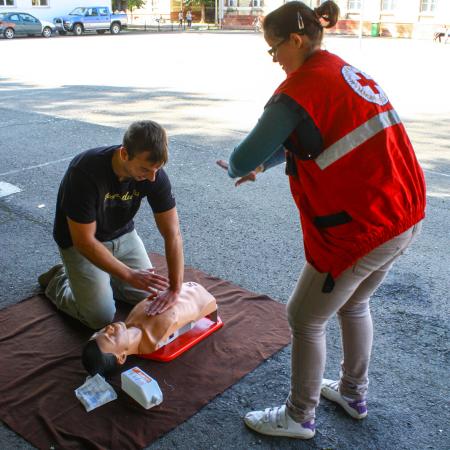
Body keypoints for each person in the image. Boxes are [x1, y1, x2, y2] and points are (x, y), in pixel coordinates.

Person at [217, 0, 426, 440]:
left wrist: (243, 167)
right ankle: (352, 391)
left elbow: (243, 155)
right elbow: (312, 139)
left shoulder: (299, 89)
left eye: (273, 49)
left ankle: (299, 416)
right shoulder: (341, 70)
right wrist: (265, 165)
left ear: (295, 40)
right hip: (403, 213)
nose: (273, 59)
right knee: (354, 303)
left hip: (363, 226)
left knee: (304, 317)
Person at [39, 120, 184, 330]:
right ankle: (59, 279)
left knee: (152, 300)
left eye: (157, 169)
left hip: (123, 235)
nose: (152, 177)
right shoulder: (84, 172)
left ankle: (106, 280)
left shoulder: (154, 175)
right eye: (145, 168)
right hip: (81, 243)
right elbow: (84, 241)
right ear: (124, 154)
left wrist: (175, 288)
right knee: (99, 317)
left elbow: (173, 233)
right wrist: (128, 274)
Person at [82, 281, 218, 376]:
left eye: (101, 331)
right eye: (110, 337)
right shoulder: (155, 338)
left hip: (190, 290)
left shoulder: (131, 318)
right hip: (201, 299)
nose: (109, 328)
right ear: (121, 357)